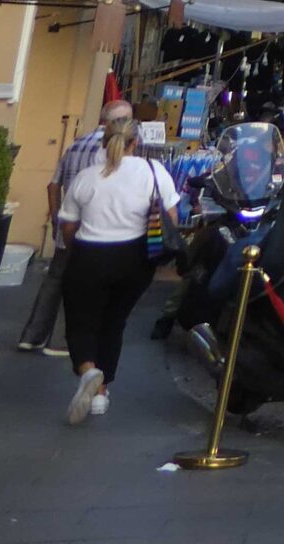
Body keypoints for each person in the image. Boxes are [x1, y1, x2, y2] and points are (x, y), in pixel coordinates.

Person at [53, 110, 182, 424]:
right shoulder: (154, 171)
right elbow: (173, 219)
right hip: (135, 259)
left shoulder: (87, 178)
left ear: (105, 140)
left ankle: (88, 371)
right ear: (135, 142)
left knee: (81, 323)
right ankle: (101, 392)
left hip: (89, 255)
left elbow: (68, 225)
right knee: (114, 321)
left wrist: (77, 251)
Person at [20, 98, 129, 354]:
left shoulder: (76, 144)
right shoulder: (108, 151)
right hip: (91, 229)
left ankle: (32, 335)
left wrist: (57, 216)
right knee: (79, 285)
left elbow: (53, 184)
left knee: (54, 279)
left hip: (66, 224)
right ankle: (59, 341)